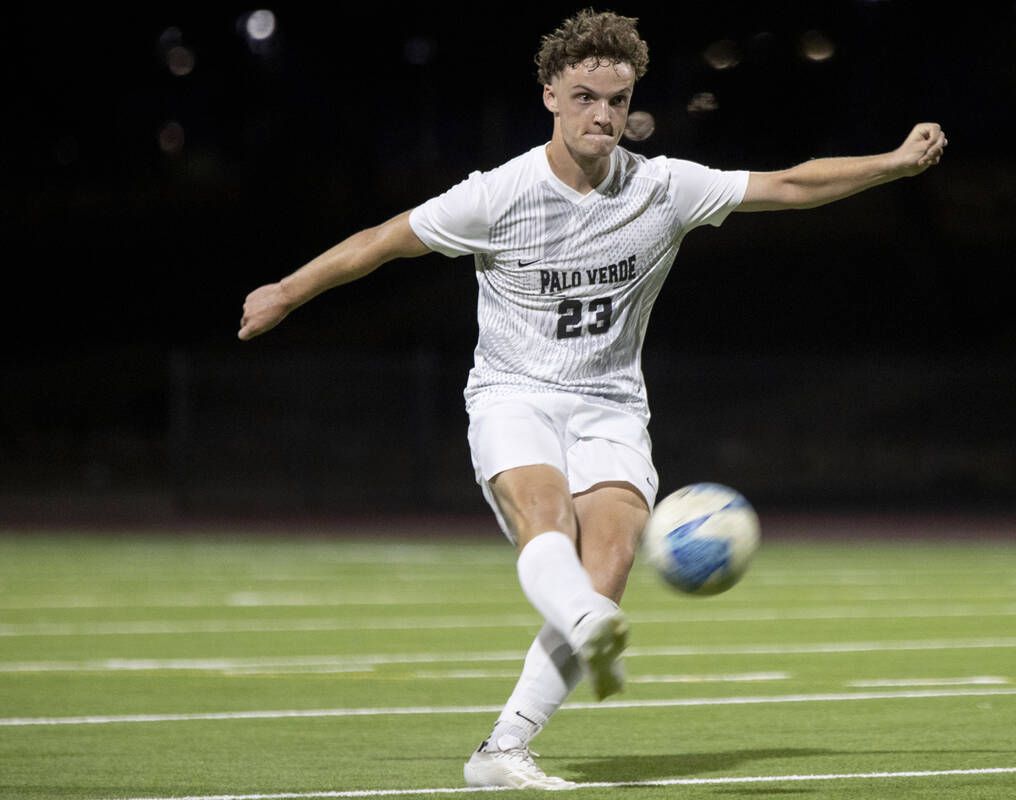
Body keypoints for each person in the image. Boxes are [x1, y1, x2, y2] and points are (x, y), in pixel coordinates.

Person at [238, 9, 947, 791]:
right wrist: (287, 290)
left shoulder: (664, 188)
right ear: (549, 95)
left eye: (617, 99)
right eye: (584, 97)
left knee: (605, 566)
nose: (602, 114)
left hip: (610, 405)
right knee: (547, 521)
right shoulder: (500, 195)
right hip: (515, 394)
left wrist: (892, 164)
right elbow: (380, 240)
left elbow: (788, 183)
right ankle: (583, 625)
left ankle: (502, 749)